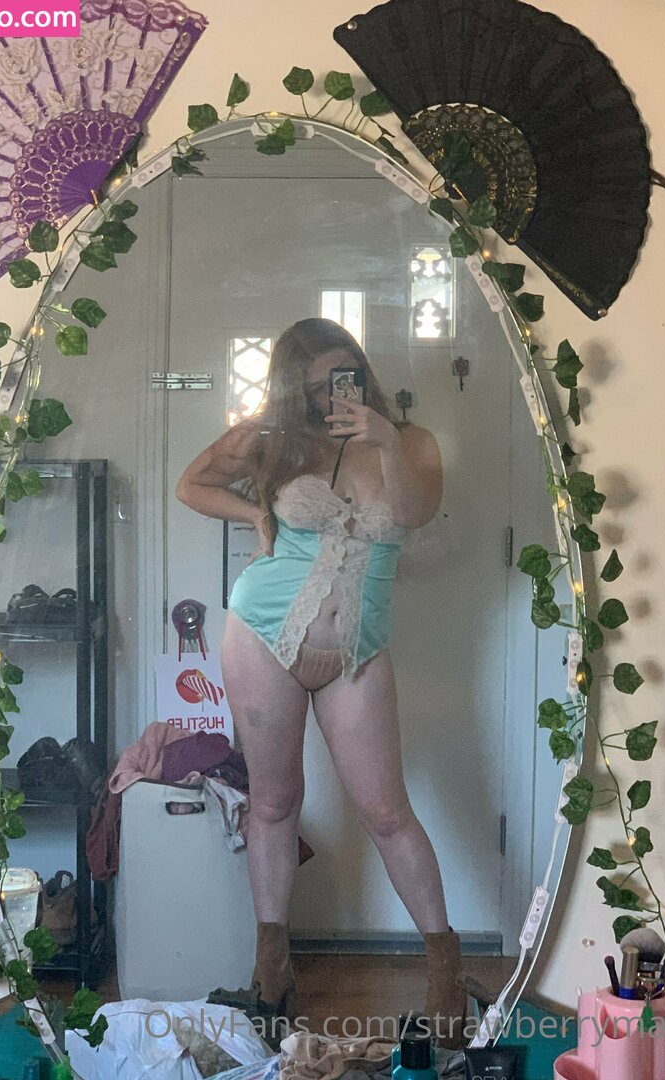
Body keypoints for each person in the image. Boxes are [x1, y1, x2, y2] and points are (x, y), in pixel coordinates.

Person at [175, 318, 466, 1048]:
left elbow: (412, 513)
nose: (329, 396)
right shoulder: (273, 437)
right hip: (262, 634)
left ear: (361, 370)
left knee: (386, 810)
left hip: (357, 650)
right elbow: (192, 483)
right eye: (311, 388)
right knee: (274, 802)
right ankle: (271, 970)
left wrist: (383, 438)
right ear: (291, 390)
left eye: (342, 376)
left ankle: (445, 969)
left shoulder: (412, 441)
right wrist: (254, 514)